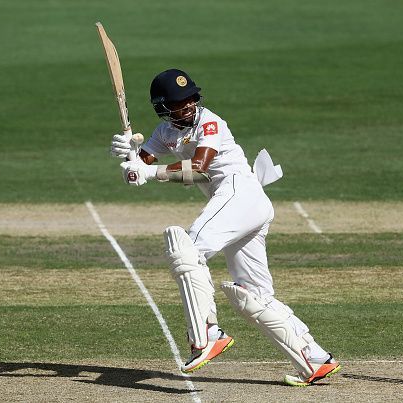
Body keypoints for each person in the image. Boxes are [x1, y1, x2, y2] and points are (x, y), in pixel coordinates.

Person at [109, 68, 340, 386]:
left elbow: (199, 167)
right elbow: (142, 162)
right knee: (253, 295)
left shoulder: (210, 122)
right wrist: (129, 158)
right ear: (164, 108)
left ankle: (207, 334)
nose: (188, 106)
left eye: (190, 98)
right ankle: (313, 358)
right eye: (180, 102)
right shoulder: (165, 133)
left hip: (239, 193)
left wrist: (149, 173)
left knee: (186, 247)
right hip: (242, 207)